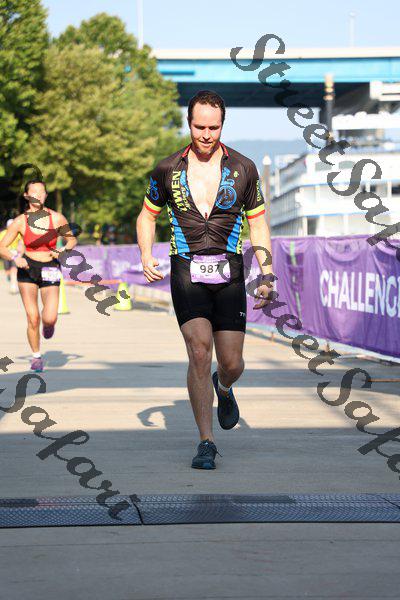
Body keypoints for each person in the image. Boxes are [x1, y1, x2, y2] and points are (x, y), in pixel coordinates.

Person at [136, 90, 274, 470]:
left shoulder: (243, 168)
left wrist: (267, 273)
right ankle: (206, 441)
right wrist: (146, 254)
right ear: (189, 123)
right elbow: (147, 215)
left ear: (222, 125)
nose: (206, 135)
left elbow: (258, 224)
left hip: (230, 273)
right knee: (199, 351)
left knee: (232, 362)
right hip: (186, 270)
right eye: (200, 127)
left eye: (214, 128)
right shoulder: (167, 170)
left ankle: (224, 386)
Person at [0, 180, 78, 372]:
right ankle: (36, 356)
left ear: (45, 195)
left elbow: (71, 240)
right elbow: (2, 246)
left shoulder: (57, 218)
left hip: (50, 266)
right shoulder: (20, 221)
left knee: (49, 318)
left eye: (42, 192)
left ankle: (49, 326)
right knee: (33, 317)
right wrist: (15, 257)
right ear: (27, 196)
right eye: (34, 191)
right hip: (27, 267)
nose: (38, 195)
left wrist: (62, 251)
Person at [0, 219, 21, 294]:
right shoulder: (3, 233)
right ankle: (10, 278)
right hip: (6, 253)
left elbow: (21, 242)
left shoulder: (18, 233)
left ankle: (13, 284)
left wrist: (19, 249)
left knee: (14, 269)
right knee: (7, 270)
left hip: (15, 253)